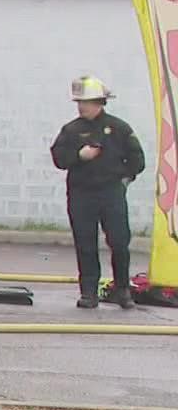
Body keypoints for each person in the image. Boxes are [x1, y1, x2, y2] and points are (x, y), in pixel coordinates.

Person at [50, 75, 146, 310]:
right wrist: (79, 156)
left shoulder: (119, 128)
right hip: (81, 194)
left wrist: (124, 178)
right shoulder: (71, 130)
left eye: (87, 101)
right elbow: (59, 158)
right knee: (85, 243)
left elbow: (137, 159)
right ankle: (89, 292)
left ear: (100, 102)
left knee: (120, 242)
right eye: (79, 102)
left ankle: (122, 290)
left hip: (111, 193)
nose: (82, 106)